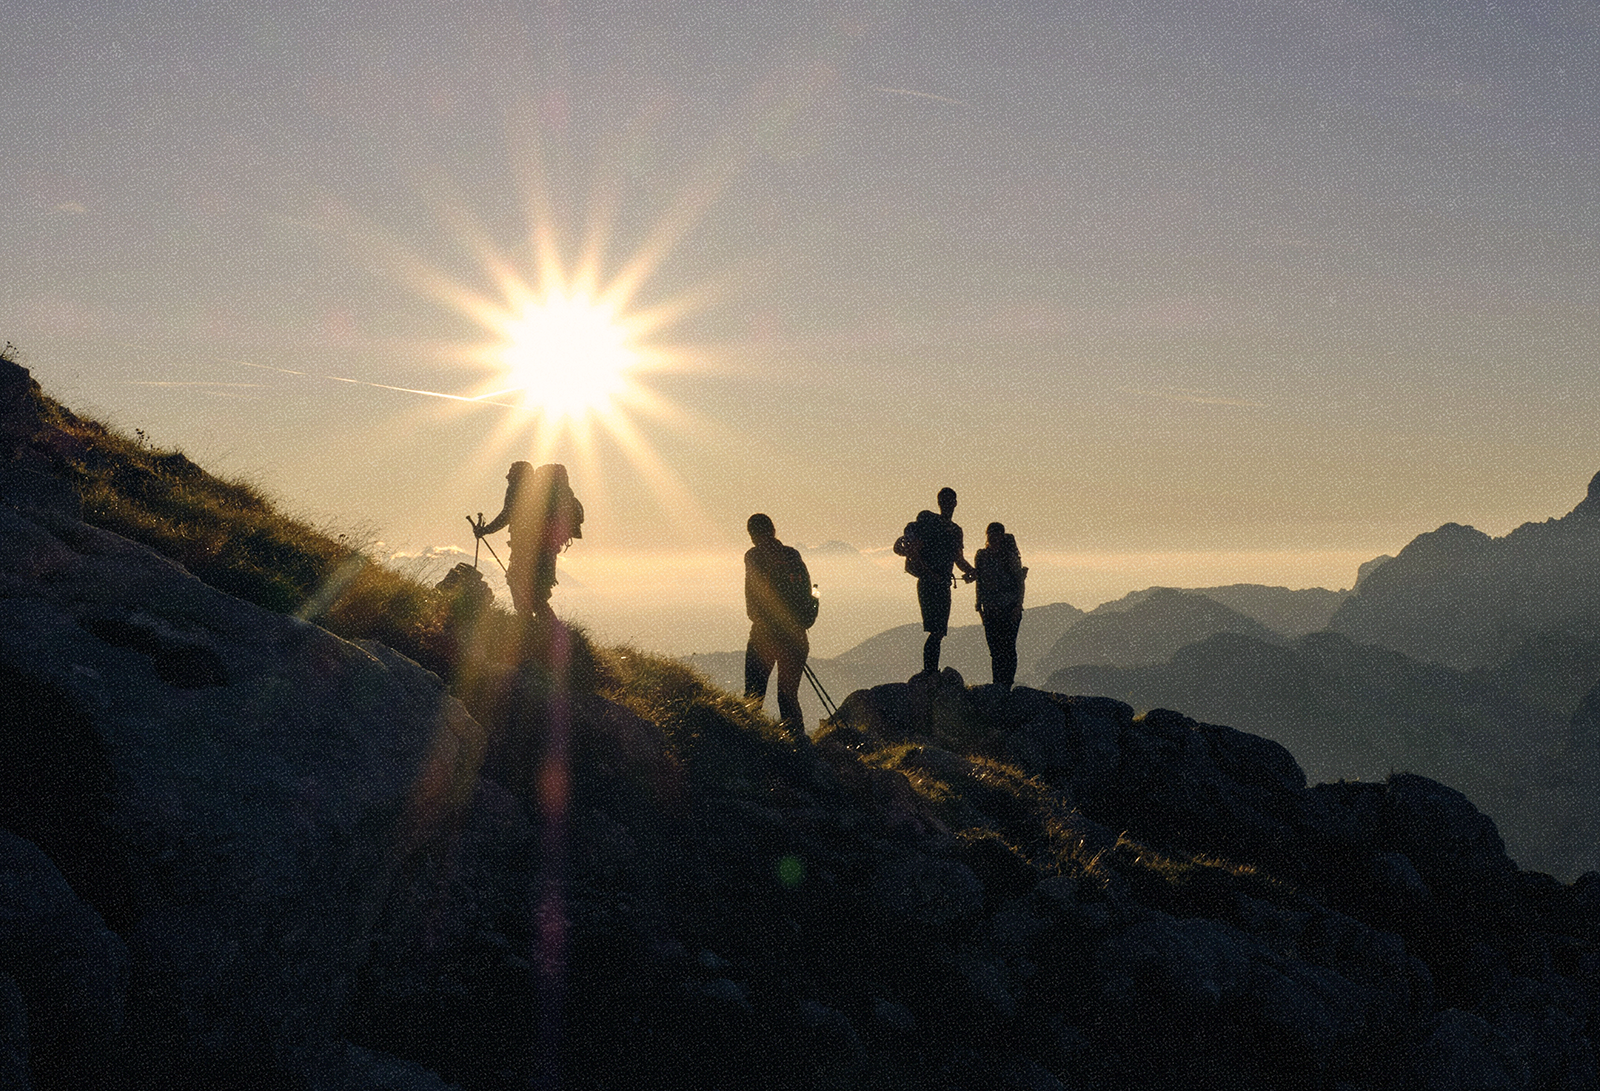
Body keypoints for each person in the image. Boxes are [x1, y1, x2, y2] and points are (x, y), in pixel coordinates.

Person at [474, 462, 584, 619]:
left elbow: (507, 515)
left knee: (519, 586)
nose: (507, 476)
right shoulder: (541, 494)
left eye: (511, 473)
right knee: (538, 596)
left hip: (527, 551)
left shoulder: (518, 489)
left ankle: (531, 627)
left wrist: (485, 530)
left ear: (519, 475)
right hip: (547, 551)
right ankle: (541, 631)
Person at [743, 513, 813, 733]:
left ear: (752, 534)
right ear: (773, 530)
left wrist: (761, 620)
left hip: (765, 635)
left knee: (754, 695)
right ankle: (798, 746)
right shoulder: (793, 555)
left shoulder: (753, 556)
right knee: (788, 696)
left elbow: (752, 599)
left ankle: (749, 744)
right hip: (797, 636)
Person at [896, 487, 976, 674]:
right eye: (946, 501)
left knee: (937, 631)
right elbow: (956, 559)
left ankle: (930, 671)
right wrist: (933, 575)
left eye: (949, 501)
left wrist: (972, 571)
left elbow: (958, 559)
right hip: (933, 583)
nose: (948, 504)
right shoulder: (943, 528)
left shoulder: (952, 530)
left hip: (937, 582)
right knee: (937, 630)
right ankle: (930, 672)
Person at [973, 521, 1027, 688]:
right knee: (996, 650)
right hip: (991, 609)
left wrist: (1018, 606)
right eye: (991, 534)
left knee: (1008, 648)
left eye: (997, 534)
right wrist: (979, 606)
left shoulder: (1008, 557)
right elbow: (979, 583)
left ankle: (1006, 684)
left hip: (1009, 608)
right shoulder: (981, 556)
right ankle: (999, 684)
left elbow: (1019, 582)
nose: (994, 537)